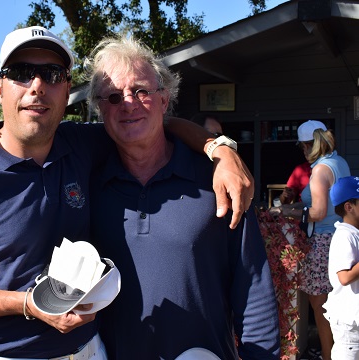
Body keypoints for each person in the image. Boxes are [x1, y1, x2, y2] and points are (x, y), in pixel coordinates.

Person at [0, 26, 254, 359]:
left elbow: (153, 120)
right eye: (22, 72)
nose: (37, 86)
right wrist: (24, 303)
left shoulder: (80, 145)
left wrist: (220, 150)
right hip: (1, 353)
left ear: (67, 90)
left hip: (86, 350)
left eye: (52, 74)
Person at [86, 36, 280, 359]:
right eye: (114, 96)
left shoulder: (215, 181)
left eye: (141, 91)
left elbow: (253, 288)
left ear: (164, 99)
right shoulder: (87, 187)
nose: (128, 103)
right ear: (100, 109)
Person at [271, 120, 351, 360]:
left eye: (303, 146)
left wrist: (283, 212)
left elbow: (316, 212)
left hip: (321, 242)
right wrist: (293, 207)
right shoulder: (339, 162)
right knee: (337, 305)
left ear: (310, 145)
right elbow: (312, 205)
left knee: (321, 307)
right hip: (340, 237)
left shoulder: (319, 171)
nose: (303, 151)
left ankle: (328, 356)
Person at [324, 176, 359, 360]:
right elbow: (344, 277)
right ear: (349, 207)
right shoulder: (344, 236)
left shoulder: (355, 233)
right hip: (349, 324)